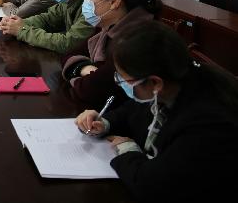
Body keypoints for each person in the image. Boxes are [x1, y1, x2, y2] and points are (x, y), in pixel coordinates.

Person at [75, 21, 238, 202]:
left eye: (125, 80)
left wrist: (127, 151)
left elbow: (151, 187)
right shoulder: (172, 82)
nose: (122, 84)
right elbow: (132, 111)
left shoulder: (208, 124)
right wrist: (105, 122)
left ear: (155, 82)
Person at [61, 0, 162, 109]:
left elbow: (88, 90)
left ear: (114, 2)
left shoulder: (137, 39)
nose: (86, 0)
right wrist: (84, 68)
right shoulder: (107, 25)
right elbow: (69, 54)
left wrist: (80, 71)